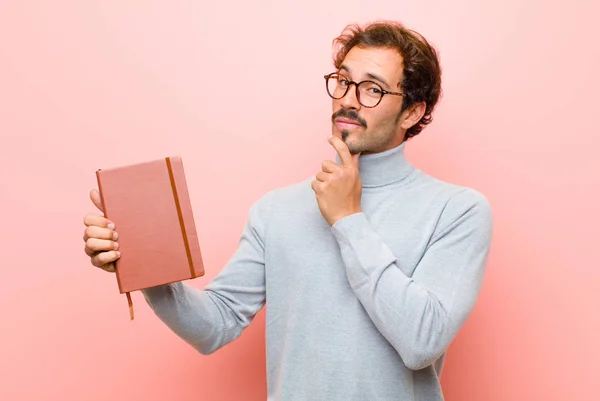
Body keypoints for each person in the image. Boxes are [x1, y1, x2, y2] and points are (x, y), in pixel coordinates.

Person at [83, 20, 492, 401]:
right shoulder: (276, 210)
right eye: (344, 82)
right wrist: (148, 267)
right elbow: (215, 326)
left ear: (413, 111)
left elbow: (422, 342)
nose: (348, 100)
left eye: (372, 89)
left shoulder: (457, 211)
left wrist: (348, 219)